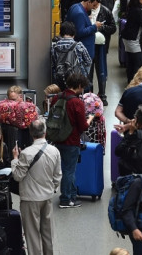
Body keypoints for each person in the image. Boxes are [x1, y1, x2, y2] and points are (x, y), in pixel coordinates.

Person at [10, 119, 62, 255]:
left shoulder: (26, 153)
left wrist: (15, 159)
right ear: (45, 132)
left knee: (32, 234)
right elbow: (57, 176)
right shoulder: (54, 151)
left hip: (30, 198)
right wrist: (52, 188)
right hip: (47, 196)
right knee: (48, 232)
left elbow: (17, 176)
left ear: (31, 133)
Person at [51, 72, 93, 208]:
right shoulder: (77, 102)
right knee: (69, 170)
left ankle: (72, 195)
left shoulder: (56, 97)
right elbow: (83, 126)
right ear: (79, 86)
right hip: (71, 140)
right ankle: (66, 199)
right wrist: (90, 118)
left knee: (63, 169)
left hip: (56, 139)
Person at [50, 21, 92, 89]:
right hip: (76, 81)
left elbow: (53, 65)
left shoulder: (54, 47)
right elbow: (88, 62)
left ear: (61, 33)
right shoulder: (79, 45)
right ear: (74, 33)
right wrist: (83, 75)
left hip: (60, 81)